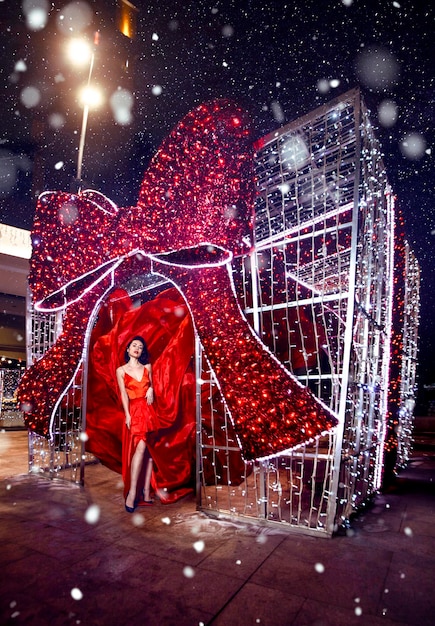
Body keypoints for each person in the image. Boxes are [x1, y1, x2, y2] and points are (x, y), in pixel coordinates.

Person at [116, 335, 159, 513]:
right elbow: (123, 395)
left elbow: (155, 387)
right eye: (134, 345)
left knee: (148, 451)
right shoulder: (121, 370)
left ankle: (146, 491)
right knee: (141, 448)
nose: (137, 348)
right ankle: (133, 493)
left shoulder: (148, 367)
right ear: (128, 349)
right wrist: (127, 415)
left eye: (140, 347)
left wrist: (151, 388)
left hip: (149, 411)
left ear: (142, 352)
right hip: (134, 411)